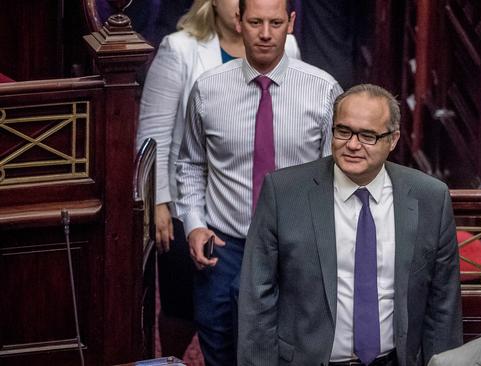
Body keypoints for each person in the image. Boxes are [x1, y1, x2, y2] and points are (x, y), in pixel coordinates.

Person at [238, 84, 463, 365]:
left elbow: (443, 305)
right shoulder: (283, 192)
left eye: (368, 135)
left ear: (392, 140)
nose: (353, 145)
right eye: (343, 131)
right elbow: (258, 297)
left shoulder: (430, 197)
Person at [174, 0, 342, 364]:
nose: (266, 34)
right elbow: (189, 163)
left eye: (275, 22)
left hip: (293, 248)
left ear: (291, 23)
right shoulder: (208, 89)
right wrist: (194, 225)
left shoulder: (323, 90)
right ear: (238, 22)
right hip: (224, 247)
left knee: (290, 352)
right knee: (219, 348)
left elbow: (337, 176)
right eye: (255, 22)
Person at [136, 0, 301, 360]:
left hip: (255, 198)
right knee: (184, 304)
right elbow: (154, 132)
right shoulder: (180, 48)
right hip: (187, 202)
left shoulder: (283, 44)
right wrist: (158, 202)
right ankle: (174, 359)